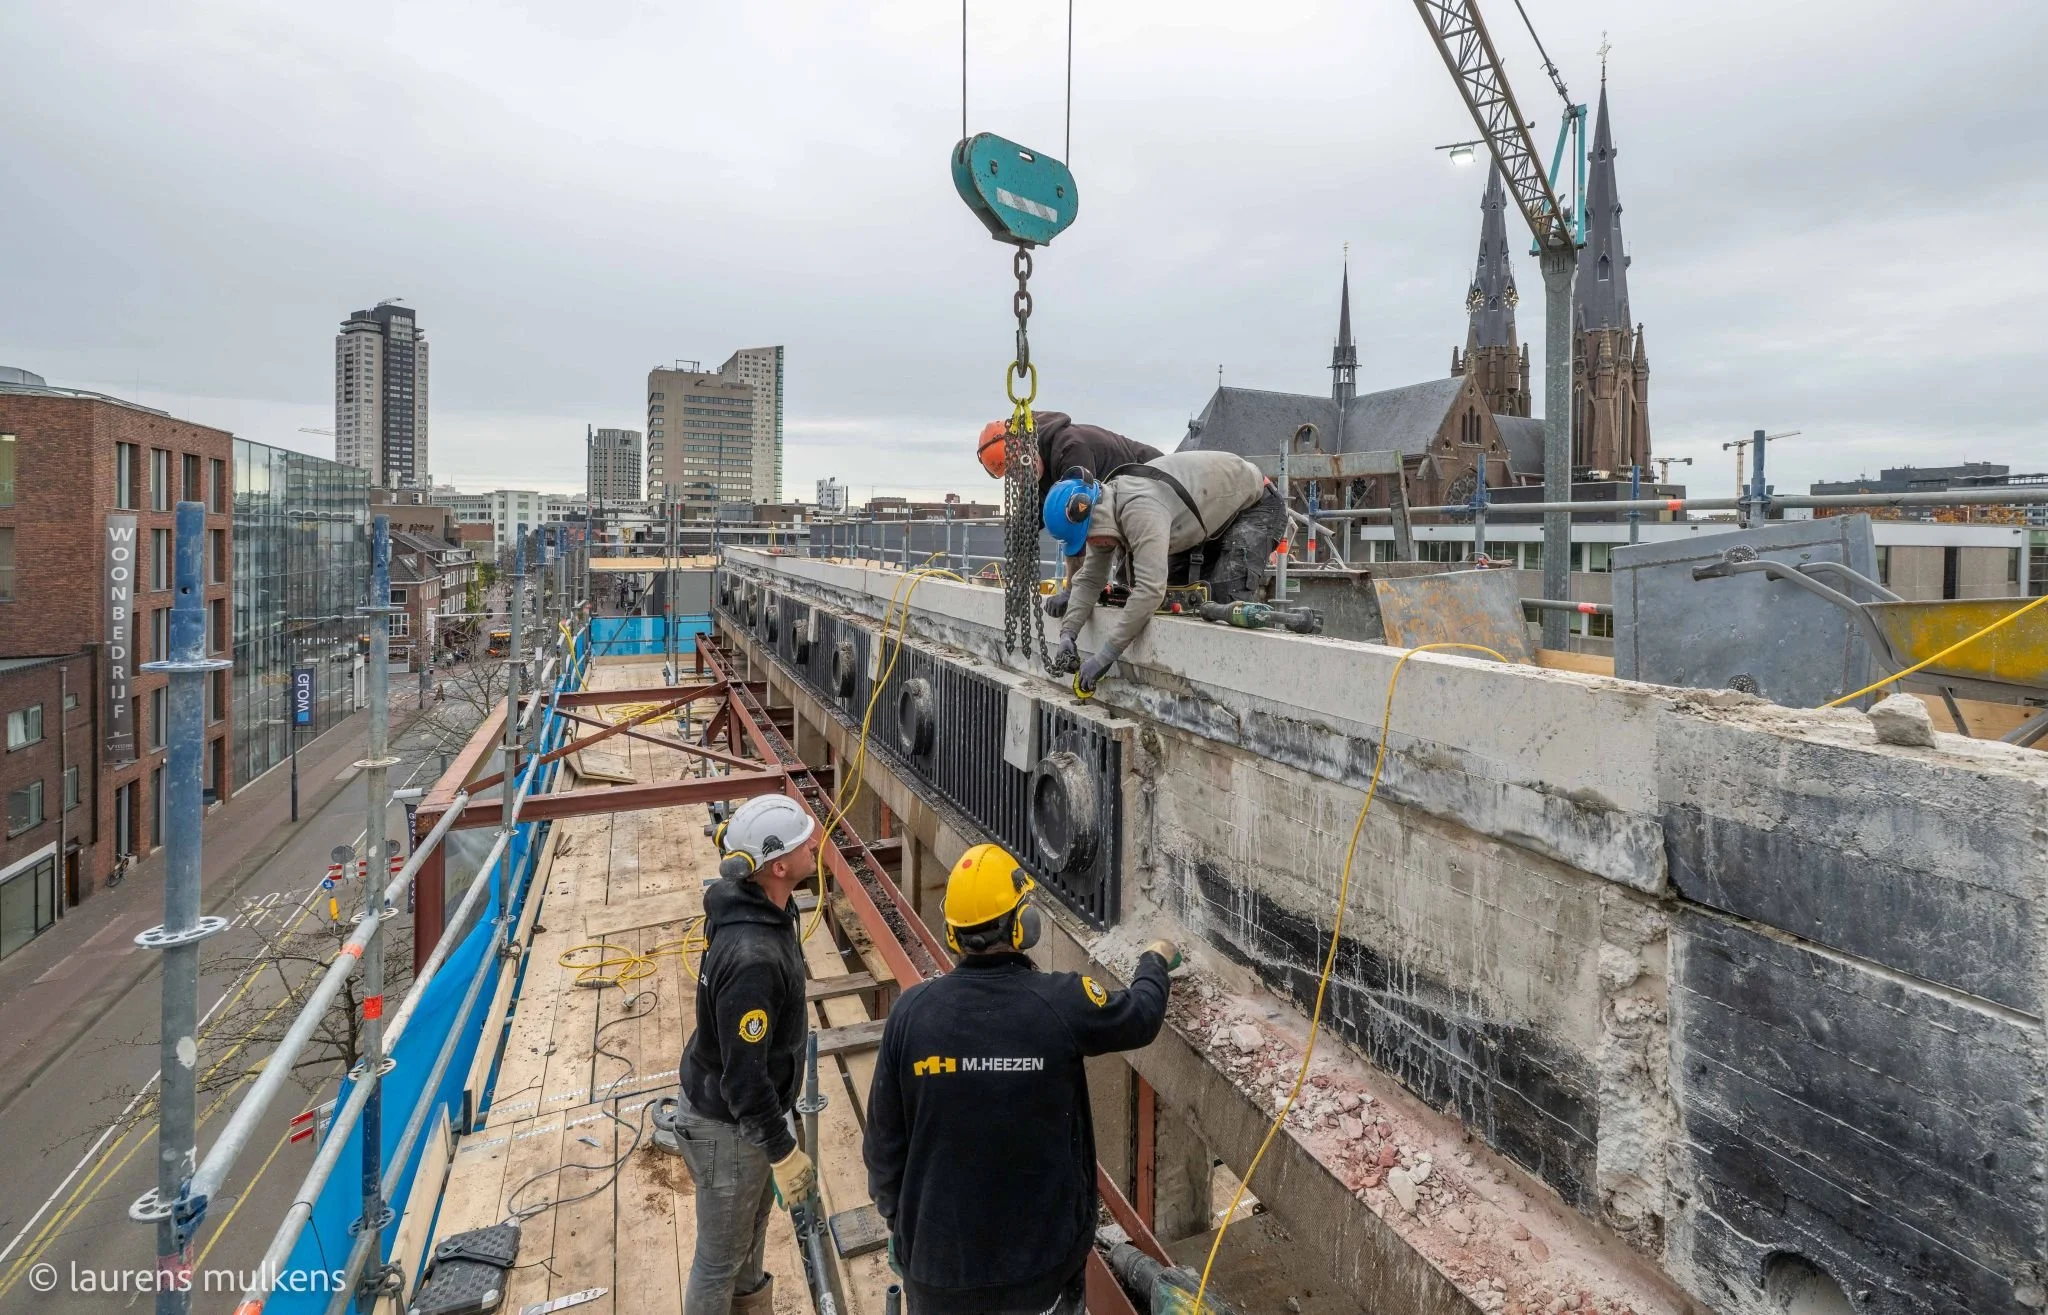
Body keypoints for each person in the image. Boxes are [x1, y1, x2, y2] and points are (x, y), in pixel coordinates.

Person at [864, 844, 1180, 1315]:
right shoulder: (1061, 1003)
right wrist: (1154, 962)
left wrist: (900, 1224)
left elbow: (883, 1148)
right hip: (1039, 1278)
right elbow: (1141, 1016)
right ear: (1022, 925)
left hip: (937, 1275)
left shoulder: (910, 1014)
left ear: (951, 931)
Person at [675, 794, 823, 1315]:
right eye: (805, 837)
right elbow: (743, 1080)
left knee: (750, 1233)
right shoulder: (754, 959)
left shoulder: (761, 907)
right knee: (719, 1260)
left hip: (746, 1117)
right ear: (778, 865)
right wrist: (782, 1150)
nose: (817, 838)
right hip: (729, 1125)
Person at [1045, 450, 1286, 694]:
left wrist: (1105, 657)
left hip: (1254, 506)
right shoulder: (1104, 509)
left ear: (1092, 515)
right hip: (1207, 516)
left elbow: (1150, 590)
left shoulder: (1140, 510)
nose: (1094, 546)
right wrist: (1068, 634)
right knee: (1178, 599)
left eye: (1090, 539)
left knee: (1224, 599)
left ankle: (1232, 692)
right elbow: (1089, 580)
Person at [976, 412, 1162, 602]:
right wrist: (1018, 582)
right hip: (1121, 500)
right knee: (1128, 588)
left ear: (1027, 445)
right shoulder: (1034, 474)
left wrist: (1072, 591)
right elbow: (1024, 532)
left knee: (1145, 579)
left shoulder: (1070, 450)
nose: (1019, 476)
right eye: (1012, 474)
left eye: (1019, 467)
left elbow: (1078, 522)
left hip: (1154, 481)